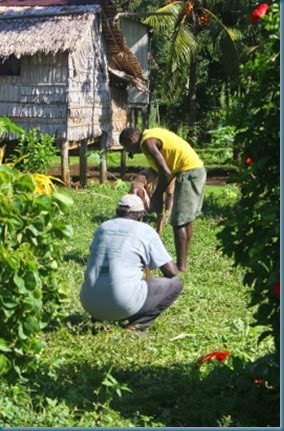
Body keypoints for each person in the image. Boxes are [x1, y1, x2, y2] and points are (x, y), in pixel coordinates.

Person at [80, 194, 182, 334]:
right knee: (175, 283)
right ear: (140, 215)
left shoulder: (102, 228)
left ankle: (99, 319)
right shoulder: (144, 230)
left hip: (89, 303)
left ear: (117, 212)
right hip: (122, 304)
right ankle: (137, 326)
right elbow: (171, 272)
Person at [119, 127, 207, 272]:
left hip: (189, 172)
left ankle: (181, 266)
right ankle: (183, 263)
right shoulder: (151, 134)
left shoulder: (147, 143)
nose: (131, 153)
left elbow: (166, 172)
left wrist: (157, 195)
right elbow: (162, 169)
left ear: (131, 140)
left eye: (128, 148)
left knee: (179, 221)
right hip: (194, 170)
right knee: (185, 220)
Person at [129, 167, 176, 234]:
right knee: (138, 191)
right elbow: (134, 189)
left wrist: (166, 215)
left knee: (169, 194)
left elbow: (170, 195)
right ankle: (137, 216)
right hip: (149, 201)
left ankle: (165, 219)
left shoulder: (171, 174)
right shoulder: (147, 173)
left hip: (164, 203)